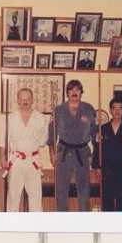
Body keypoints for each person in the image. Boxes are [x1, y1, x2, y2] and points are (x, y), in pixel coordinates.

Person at [49, 80, 96, 211]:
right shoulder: (58, 110)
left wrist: (94, 155)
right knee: (61, 189)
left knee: (84, 189)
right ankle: (61, 220)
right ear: (67, 93)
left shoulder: (88, 109)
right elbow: (51, 133)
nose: (74, 92)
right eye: (71, 90)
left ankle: (83, 220)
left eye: (77, 90)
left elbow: (94, 133)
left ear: (81, 92)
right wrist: (52, 154)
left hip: (82, 152)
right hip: (63, 152)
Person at [0, 87, 48, 211]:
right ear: (18, 100)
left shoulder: (40, 118)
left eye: (27, 99)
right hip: (16, 160)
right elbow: (2, 141)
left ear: (32, 100)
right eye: (22, 99)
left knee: (36, 196)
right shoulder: (9, 118)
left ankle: (36, 228)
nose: (24, 101)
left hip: (33, 160)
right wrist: (2, 158)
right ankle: (11, 227)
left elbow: (43, 141)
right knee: (13, 196)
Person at [93, 97, 122, 211]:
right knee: (106, 202)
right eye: (114, 108)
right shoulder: (102, 129)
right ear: (110, 110)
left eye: (120, 108)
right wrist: (96, 166)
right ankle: (107, 228)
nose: (117, 111)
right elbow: (97, 148)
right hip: (106, 170)